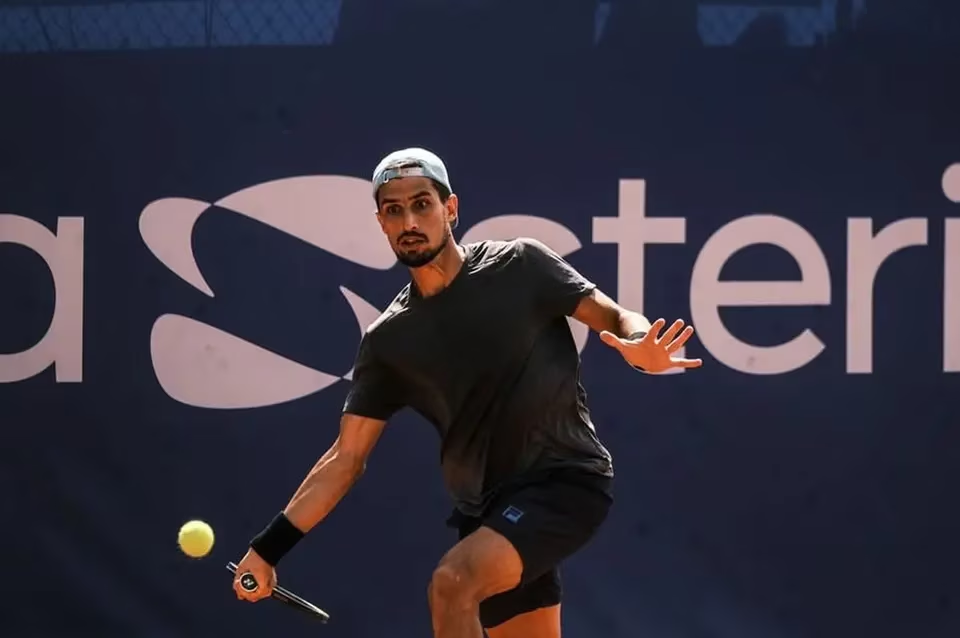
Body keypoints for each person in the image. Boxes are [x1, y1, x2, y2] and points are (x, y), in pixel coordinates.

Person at [231, 148, 703, 637]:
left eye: (422, 204)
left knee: (452, 583)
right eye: (394, 210)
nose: (409, 221)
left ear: (450, 209)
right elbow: (345, 459)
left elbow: (617, 316)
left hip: (564, 482)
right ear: (381, 223)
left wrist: (638, 344)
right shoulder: (388, 341)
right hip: (486, 511)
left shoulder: (521, 265)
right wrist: (267, 549)